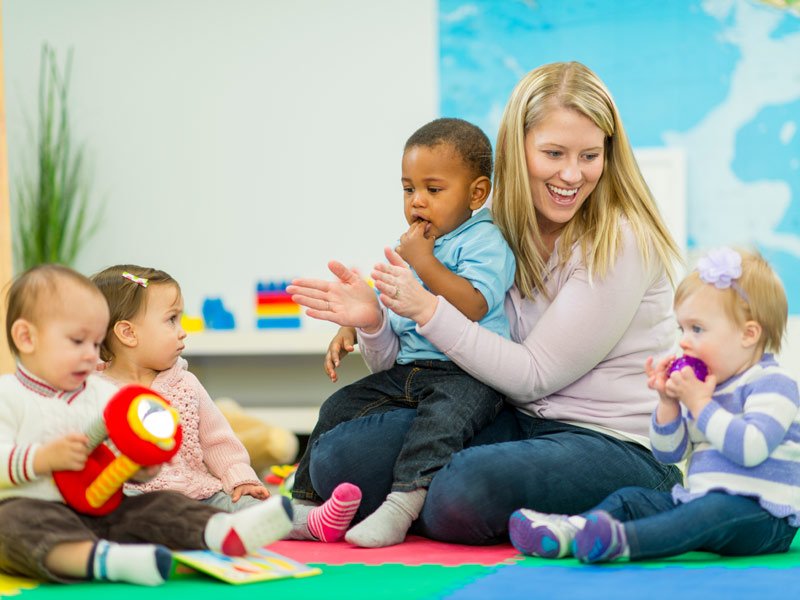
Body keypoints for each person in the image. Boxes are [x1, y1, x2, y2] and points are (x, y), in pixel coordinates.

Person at [287, 61, 685, 546]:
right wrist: (373, 320)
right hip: (512, 419)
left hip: (609, 440)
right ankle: (428, 504)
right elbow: (408, 359)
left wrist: (428, 308)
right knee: (338, 460)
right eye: (553, 153)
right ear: (518, 153)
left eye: (589, 155)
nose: (571, 174)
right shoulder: (488, 229)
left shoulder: (621, 239)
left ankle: (638, 501)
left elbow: (534, 374)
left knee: (463, 490)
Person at [287, 118, 516, 548]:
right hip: (411, 370)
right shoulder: (417, 246)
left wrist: (424, 261)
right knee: (339, 405)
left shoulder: (483, 241)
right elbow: (395, 307)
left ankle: (402, 504)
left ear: (476, 193)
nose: (418, 202)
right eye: (409, 190)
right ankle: (305, 505)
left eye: (433, 189)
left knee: (438, 425)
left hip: (467, 376)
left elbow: (473, 304)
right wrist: (356, 323)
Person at [0, 264, 293, 586]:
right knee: (10, 524)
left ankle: (219, 531)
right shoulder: (9, 395)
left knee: (160, 503)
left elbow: (116, 454)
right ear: (27, 338)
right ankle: (105, 561)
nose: (90, 355)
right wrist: (42, 459)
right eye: (78, 342)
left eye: (95, 344)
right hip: (41, 510)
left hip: (105, 508)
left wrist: (139, 466)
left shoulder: (100, 393)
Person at [509, 247, 799, 563]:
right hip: (701, 502)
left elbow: (750, 448)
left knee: (710, 510)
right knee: (631, 499)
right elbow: (669, 453)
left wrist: (700, 404)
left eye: (698, 329)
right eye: (682, 328)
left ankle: (622, 542)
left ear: (748, 334)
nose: (685, 341)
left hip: (764, 515)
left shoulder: (774, 383)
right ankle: (570, 532)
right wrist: (668, 404)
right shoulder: (704, 389)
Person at [92, 264, 269, 512]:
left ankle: (313, 521)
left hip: (198, 494)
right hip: (132, 499)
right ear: (128, 333)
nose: (182, 332)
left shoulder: (185, 384)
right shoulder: (93, 393)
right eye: (171, 320)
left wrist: (240, 478)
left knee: (254, 507)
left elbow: (217, 441)